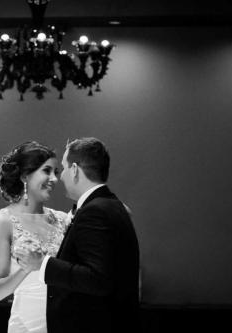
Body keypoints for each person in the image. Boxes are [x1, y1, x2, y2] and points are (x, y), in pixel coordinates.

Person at [16, 137, 140, 333]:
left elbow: (98, 278)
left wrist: (43, 264)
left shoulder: (95, 211)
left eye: (63, 168)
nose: (61, 176)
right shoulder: (113, 205)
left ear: (74, 170)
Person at [0, 141, 69, 333]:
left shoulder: (63, 219)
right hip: (27, 325)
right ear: (25, 175)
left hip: (64, 321)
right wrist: (26, 269)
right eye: (47, 171)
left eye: (56, 172)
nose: (54, 179)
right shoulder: (2, 221)